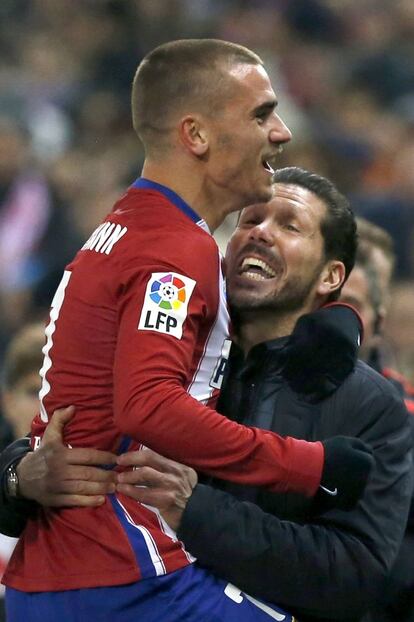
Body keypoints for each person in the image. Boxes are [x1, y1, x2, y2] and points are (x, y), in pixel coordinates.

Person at [0, 41, 372, 621]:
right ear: (196, 135)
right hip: (126, 573)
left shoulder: (127, 227)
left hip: (59, 573)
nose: (280, 132)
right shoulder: (174, 249)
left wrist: (18, 475)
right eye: (259, 114)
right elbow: (147, 406)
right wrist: (311, 466)